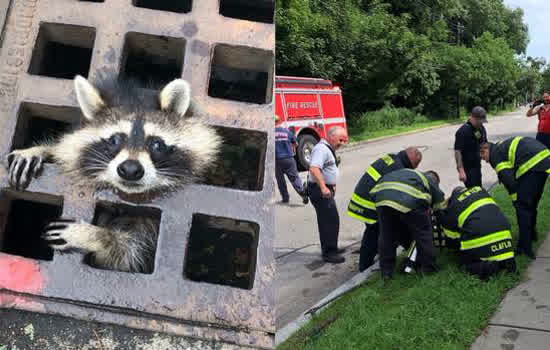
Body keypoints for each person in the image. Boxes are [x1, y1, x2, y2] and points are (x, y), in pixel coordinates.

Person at [347, 147, 423, 272]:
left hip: (361, 197)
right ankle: (364, 267)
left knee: (380, 230)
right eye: (415, 166)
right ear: (413, 163)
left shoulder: (392, 157)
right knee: (375, 232)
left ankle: (375, 257)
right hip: (368, 203)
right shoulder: (399, 169)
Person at [480, 136, 550, 259]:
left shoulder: (495, 155)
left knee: (522, 208)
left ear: (486, 149)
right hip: (544, 159)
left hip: (533, 163)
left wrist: (515, 201)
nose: (484, 160)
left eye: (483, 156)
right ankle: (532, 235)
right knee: (531, 203)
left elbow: (510, 182)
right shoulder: (500, 147)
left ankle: (524, 248)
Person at [370, 168, 445, 279]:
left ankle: (386, 272)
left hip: (382, 199)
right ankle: (430, 268)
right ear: (435, 180)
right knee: (423, 233)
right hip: (409, 200)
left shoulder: (410, 174)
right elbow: (439, 206)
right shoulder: (430, 179)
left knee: (387, 235)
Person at [437, 186, 517, 280]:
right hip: (505, 236)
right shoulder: (481, 191)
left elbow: (452, 241)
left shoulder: (453, 206)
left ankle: (488, 267)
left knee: (463, 265)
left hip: (482, 239)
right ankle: (506, 262)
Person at [308, 126, 348, 263]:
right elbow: (314, 168)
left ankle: (332, 247)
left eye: (344, 141)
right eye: (340, 140)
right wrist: (324, 187)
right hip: (320, 190)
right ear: (331, 136)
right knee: (329, 221)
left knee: (331, 220)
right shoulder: (321, 149)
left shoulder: (327, 148)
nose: (342, 144)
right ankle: (329, 253)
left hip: (324, 189)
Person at [275, 115, 308, 204]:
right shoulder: (287, 132)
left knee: (280, 181)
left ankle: (285, 198)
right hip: (289, 159)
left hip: (277, 160)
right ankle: (302, 192)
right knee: (294, 178)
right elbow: (296, 144)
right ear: (280, 121)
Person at [454, 106, 488, 188]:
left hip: (477, 165)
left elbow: (484, 143)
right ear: (473, 118)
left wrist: (487, 154)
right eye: (480, 121)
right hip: (467, 168)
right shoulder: (463, 131)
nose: (482, 123)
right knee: (473, 190)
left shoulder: (480, 128)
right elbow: (458, 151)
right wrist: (461, 170)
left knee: (478, 187)